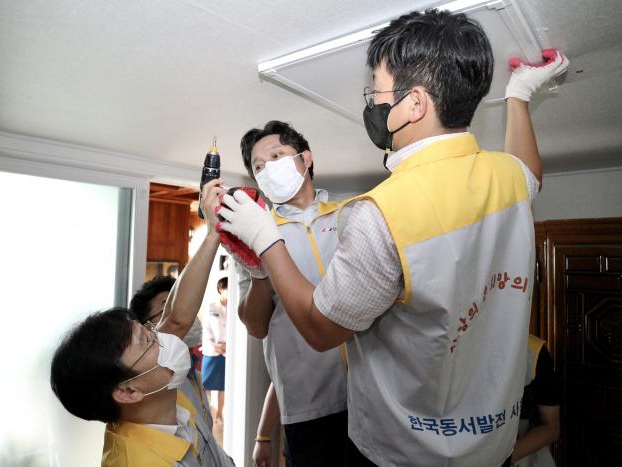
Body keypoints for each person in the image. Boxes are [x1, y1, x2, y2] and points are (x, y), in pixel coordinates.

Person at [218, 9, 568, 466]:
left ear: (415, 104)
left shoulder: (378, 213)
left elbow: (321, 331)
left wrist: (266, 240)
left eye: (377, 91)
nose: (372, 103)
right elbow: (529, 172)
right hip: (490, 441)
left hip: (404, 449)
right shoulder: (506, 176)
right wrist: (518, 96)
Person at [51, 179, 233, 466]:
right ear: (128, 391)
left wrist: (213, 233)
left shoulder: (164, 398)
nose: (164, 337)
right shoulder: (140, 460)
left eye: (148, 330)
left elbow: (175, 320)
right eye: (148, 340)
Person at [129, 275, 213, 430]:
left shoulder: (194, 374)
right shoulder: (154, 383)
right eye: (169, 311)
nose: (185, 316)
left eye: (186, 308)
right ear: (147, 328)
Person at [512, 335, 561, 466]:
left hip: (519, 454)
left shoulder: (533, 350)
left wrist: (499, 460)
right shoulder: (460, 348)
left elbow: (552, 428)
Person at [202, 276, 228, 423]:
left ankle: (219, 415)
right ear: (220, 289)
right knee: (207, 385)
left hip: (227, 352)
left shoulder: (234, 307)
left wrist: (227, 347)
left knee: (222, 386)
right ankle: (207, 413)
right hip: (211, 351)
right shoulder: (211, 306)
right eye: (226, 288)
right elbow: (206, 329)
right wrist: (214, 346)